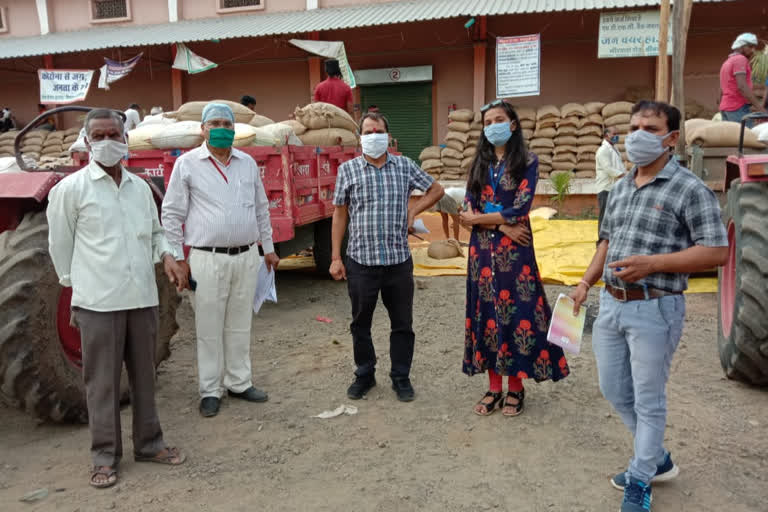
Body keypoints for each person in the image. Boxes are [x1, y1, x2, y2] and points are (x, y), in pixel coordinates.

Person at [569, 101, 728, 512]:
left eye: (650, 128)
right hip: (610, 304)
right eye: (634, 126)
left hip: (655, 307)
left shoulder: (689, 189)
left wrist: (653, 264)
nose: (638, 135)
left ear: (671, 138)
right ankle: (656, 458)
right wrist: (586, 282)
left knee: (648, 398)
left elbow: (717, 252)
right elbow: (606, 241)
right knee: (613, 388)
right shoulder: (620, 187)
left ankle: (641, 478)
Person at [46, 108, 187, 489]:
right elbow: (60, 245)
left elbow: (157, 233)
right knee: (102, 384)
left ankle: (150, 444)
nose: (108, 142)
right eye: (100, 135)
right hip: (98, 304)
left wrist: (169, 256)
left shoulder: (140, 188)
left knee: (145, 377)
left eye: (114, 134)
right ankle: (105, 456)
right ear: (88, 141)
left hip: (141, 298)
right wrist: (79, 289)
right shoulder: (70, 191)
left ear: (125, 138)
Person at [162, 102, 279, 418]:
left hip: (246, 256)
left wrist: (267, 248)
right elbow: (172, 213)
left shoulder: (247, 164)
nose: (222, 129)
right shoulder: (187, 164)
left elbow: (260, 208)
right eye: (214, 123)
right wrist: (176, 256)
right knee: (209, 326)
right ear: (202, 129)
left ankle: (239, 382)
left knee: (240, 323)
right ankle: (210, 390)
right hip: (206, 259)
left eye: (227, 125)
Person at [458, 99, 570, 417]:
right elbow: (467, 210)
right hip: (483, 253)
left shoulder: (527, 162)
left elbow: (520, 208)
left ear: (512, 124)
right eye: (487, 121)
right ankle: (494, 388)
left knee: (517, 314)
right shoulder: (477, 165)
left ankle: (516, 389)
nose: (492, 125)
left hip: (515, 254)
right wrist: (503, 228)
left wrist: (489, 220)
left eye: (498, 119)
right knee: (487, 315)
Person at [330, 112, 444, 401]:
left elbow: (436, 189)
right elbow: (340, 214)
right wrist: (335, 257)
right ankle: (365, 374)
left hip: (397, 263)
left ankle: (401, 377)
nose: (373, 136)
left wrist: (413, 211)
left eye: (378, 131)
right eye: (367, 132)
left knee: (402, 324)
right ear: (360, 138)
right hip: (360, 262)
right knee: (360, 324)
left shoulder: (404, 166)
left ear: (388, 136)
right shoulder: (348, 170)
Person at [719, 33, 766, 126]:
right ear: (742, 46)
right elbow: (742, 86)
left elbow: (721, 89)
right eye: (750, 47)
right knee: (747, 138)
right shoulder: (740, 60)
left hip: (726, 108)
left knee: (733, 139)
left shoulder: (727, 61)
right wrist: (761, 109)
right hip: (737, 108)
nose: (753, 50)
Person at [595, 127, 625, 234]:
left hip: (614, 187)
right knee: (604, 217)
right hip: (605, 188)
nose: (616, 136)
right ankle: (601, 241)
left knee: (613, 215)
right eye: (614, 134)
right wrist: (623, 175)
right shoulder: (603, 150)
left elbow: (618, 166)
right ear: (607, 135)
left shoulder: (614, 149)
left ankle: (611, 239)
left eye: (617, 134)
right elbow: (608, 169)